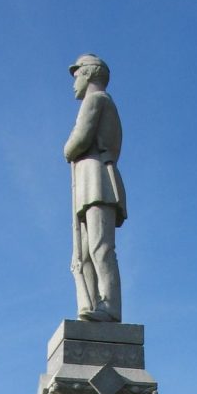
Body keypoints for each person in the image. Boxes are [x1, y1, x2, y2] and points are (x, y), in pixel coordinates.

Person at [64, 54, 127, 323]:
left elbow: (79, 140)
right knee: (88, 251)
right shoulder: (101, 101)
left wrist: (66, 148)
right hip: (90, 180)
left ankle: (110, 305)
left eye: (77, 74)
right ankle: (93, 302)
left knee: (101, 248)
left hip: (98, 179)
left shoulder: (96, 100)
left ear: (89, 73)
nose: (74, 81)